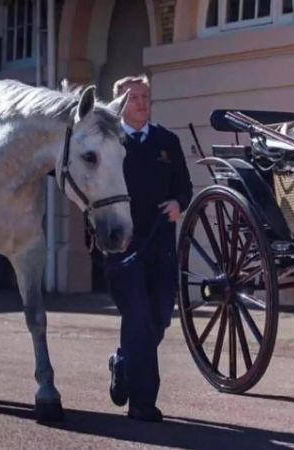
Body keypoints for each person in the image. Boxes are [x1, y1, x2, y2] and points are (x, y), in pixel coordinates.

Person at [104, 74, 192, 422]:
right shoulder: (109, 143)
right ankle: (142, 403)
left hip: (161, 247)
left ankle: (123, 362)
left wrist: (178, 203)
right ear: (119, 105)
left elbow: (184, 186)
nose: (141, 102)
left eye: (145, 96)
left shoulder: (166, 141)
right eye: (133, 97)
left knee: (158, 317)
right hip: (124, 246)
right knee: (138, 317)